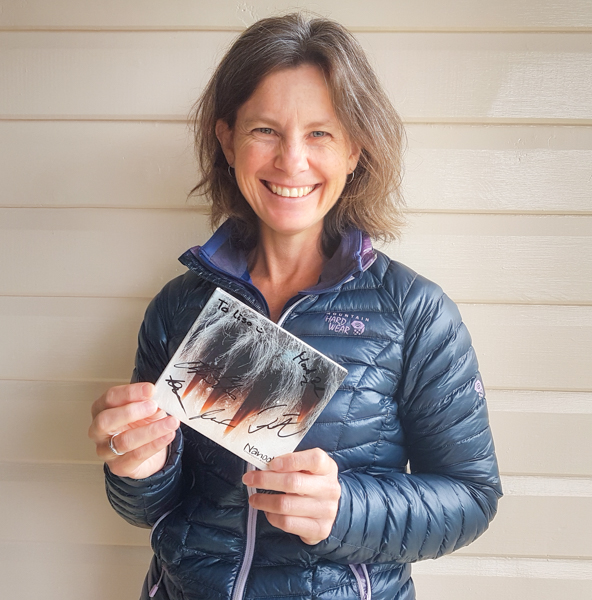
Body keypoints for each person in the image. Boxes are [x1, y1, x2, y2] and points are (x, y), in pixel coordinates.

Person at [89, 13, 501, 600]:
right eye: (264, 131)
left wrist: (347, 510)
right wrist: (136, 467)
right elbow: (155, 507)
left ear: (356, 148)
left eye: (320, 133)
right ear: (226, 138)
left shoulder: (415, 314)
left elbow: (473, 497)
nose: (291, 161)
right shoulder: (179, 307)